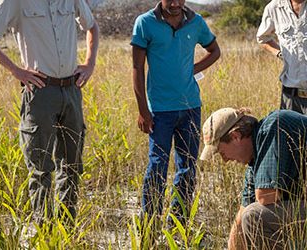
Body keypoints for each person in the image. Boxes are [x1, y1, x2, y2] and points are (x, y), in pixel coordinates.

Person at [0, 0, 99, 224]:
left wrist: (89, 64)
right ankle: (44, 230)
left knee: (71, 165)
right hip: (40, 92)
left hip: (71, 89)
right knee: (40, 168)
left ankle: (66, 226)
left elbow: (92, 26)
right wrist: (16, 70)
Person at [131, 0, 220, 222]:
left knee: (187, 167)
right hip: (159, 110)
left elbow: (214, 51)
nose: (175, 3)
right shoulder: (145, 23)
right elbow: (137, 68)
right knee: (157, 165)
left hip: (190, 107)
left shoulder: (196, 22)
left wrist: (192, 69)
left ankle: (178, 223)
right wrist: (143, 110)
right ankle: (149, 223)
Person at [200, 107, 307, 249]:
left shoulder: (274, 127)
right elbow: (240, 219)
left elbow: (266, 196)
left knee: (254, 217)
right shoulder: (255, 156)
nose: (225, 160)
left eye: (221, 151)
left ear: (235, 136)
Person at [257, 0, 307, 114]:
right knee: (290, 132)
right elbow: (262, 39)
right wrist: (280, 54)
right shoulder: (274, 7)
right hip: (291, 96)